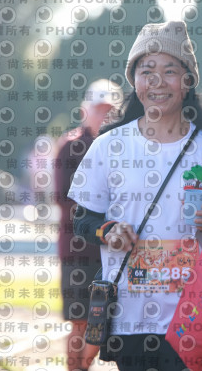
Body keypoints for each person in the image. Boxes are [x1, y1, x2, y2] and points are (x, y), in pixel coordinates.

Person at [68, 21, 202, 370]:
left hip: (192, 314)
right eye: (147, 71)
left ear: (188, 81)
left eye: (170, 71)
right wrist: (107, 231)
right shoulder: (109, 146)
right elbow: (82, 220)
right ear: (134, 81)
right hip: (128, 315)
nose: (157, 81)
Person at [54, 79, 123, 371]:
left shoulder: (123, 147)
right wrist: (103, 220)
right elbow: (63, 198)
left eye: (110, 110)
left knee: (110, 322)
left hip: (115, 250)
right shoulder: (71, 147)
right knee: (81, 322)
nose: (104, 116)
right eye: (99, 109)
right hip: (79, 251)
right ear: (85, 111)